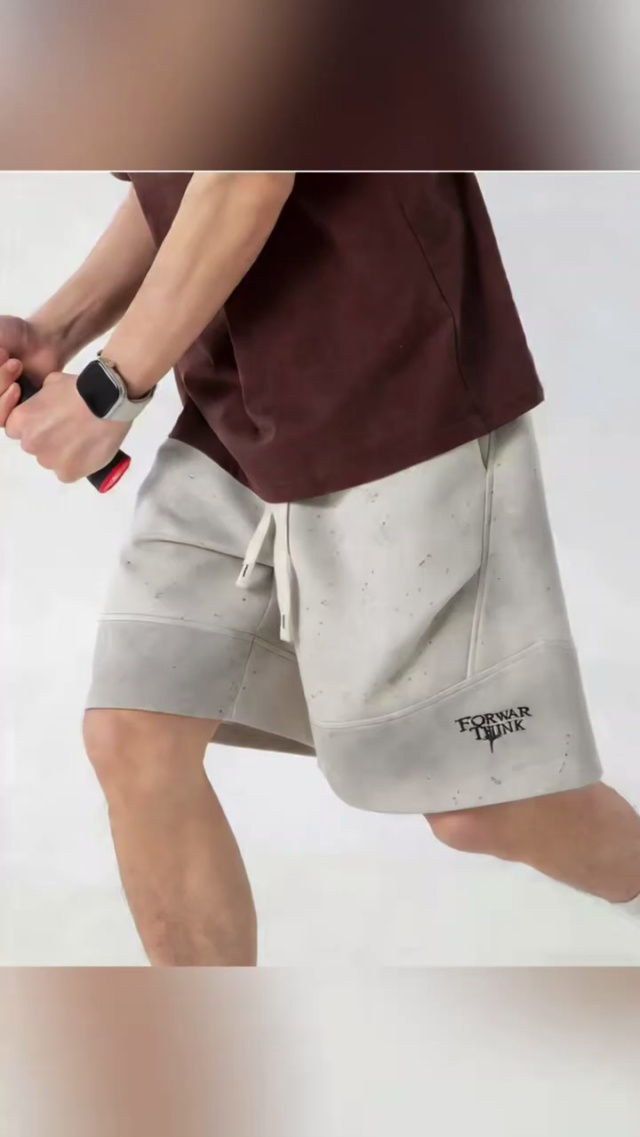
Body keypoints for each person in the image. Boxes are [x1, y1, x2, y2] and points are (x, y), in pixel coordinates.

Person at [1, 172, 639, 967]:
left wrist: (107, 389)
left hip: (394, 390)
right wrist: (55, 328)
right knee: (135, 733)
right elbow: (178, 176)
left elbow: (247, 173)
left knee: (482, 806)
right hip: (236, 414)